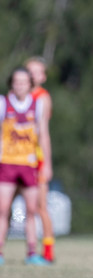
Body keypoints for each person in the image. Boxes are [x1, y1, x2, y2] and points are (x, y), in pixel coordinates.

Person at [0, 67, 51, 265]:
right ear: (11, 83)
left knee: (32, 210)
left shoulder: (38, 104)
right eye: (17, 82)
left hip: (29, 164)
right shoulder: (3, 104)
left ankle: (32, 253)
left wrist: (46, 163)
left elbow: (43, 134)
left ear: (30, 84)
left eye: (24, 82)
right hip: (7, 163)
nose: (20, 85)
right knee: (3, 209)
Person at [25, 56, 55, 262]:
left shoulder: (42, 97)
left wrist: (48, 163)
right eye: (29, 70)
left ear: (43, 77)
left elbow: (44, 133)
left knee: (40, 207)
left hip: (36, 158)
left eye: (37, 71)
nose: (32, 75)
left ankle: (47, 251)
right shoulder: (17, 97)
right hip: (16, 157)